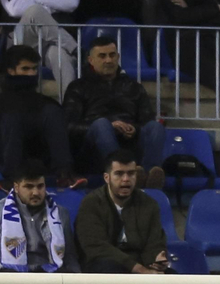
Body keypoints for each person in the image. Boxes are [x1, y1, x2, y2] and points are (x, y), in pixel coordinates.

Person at [62, 35, 166, 183]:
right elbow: (68, 126)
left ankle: (147, 176)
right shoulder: (78, 87)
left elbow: (146, 121)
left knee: (155, 127)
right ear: (91, 60)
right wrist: (109, 127)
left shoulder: (134, 87)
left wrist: (134, 129)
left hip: (130, 147)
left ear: (118, 57)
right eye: (102, 56)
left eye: (112, 55)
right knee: (101, 125)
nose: (108, 60)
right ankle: (122, 174)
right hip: (93, 152)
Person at [0, 159, 78, 284]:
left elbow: (69, 257)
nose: (36, 192)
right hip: (8, 279)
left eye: (40, 186)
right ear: (16, 187)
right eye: (29, 186)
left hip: (48, 279)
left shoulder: (60, 214)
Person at [74, 149, 170, 275]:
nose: (126, 179)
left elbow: (155, 241)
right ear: (107, 178)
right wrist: (139, 269)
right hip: (103, 265)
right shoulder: (91, 203)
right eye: (119, 174)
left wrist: (156, 259)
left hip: (140, 264)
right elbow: (97, 248)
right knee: (110, 269)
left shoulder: (149, 204)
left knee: (171, 278)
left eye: (131, 174)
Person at [0, 0, 81, 102]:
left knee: (61, 56)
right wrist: (53, 5)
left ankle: (69, 106)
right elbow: (14, 8)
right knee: (34, 11)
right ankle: (77, 50)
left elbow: (72, 1)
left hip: (53, 41)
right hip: (22, 39)